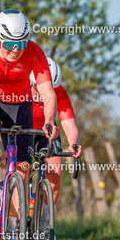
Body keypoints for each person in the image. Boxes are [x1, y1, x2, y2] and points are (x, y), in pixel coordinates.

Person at [0, 9, 58, 219]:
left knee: (23, 168)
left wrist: (50, 121)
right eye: (9, 44)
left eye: (21, 44)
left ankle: (14, 229)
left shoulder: (35, 53)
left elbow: (49, 94)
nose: (15, 50)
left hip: (19, 101)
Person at [30, 58, 82, 207]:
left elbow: (69, 123)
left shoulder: (59, 92)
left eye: (52, 87)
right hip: (22, 131)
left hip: (46, 133)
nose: (47, 91)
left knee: (55, 175)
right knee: (22, 170)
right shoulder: (21, 88)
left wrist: (73, 144)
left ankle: (45, 217)